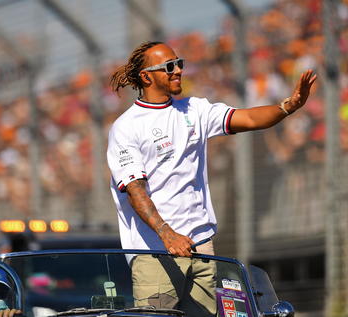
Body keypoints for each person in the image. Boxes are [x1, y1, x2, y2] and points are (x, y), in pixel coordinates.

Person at [106, 41, 316, 316]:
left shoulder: (195, 109)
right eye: (169, 67)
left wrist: (288, 106)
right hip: (156, 252)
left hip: (201, 246)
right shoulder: (126, 127)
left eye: (179, 63)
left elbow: (250, 119)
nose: (178, 70)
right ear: (147, 76)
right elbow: (136, 192)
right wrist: (167, 234)